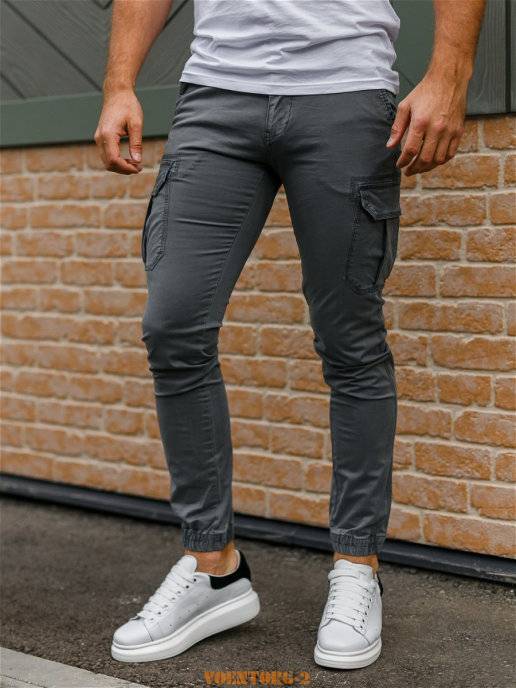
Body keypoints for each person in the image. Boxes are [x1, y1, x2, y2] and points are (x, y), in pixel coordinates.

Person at [95, 0, 485, 669]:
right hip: (216, 92)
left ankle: (357, 566)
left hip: (346, 88)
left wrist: (449, 74)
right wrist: (118, 83)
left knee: (350, 342)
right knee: (173, 327)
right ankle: (213, 567)